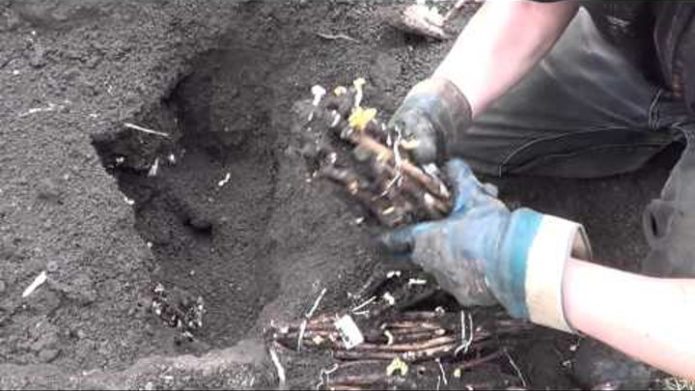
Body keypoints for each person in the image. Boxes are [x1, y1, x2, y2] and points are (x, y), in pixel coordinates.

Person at [382, 0, 695, 386]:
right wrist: (441, 104)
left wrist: (520, 264)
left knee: (664, 330)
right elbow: (533, 7)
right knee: (462, 139)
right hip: (647, 57)